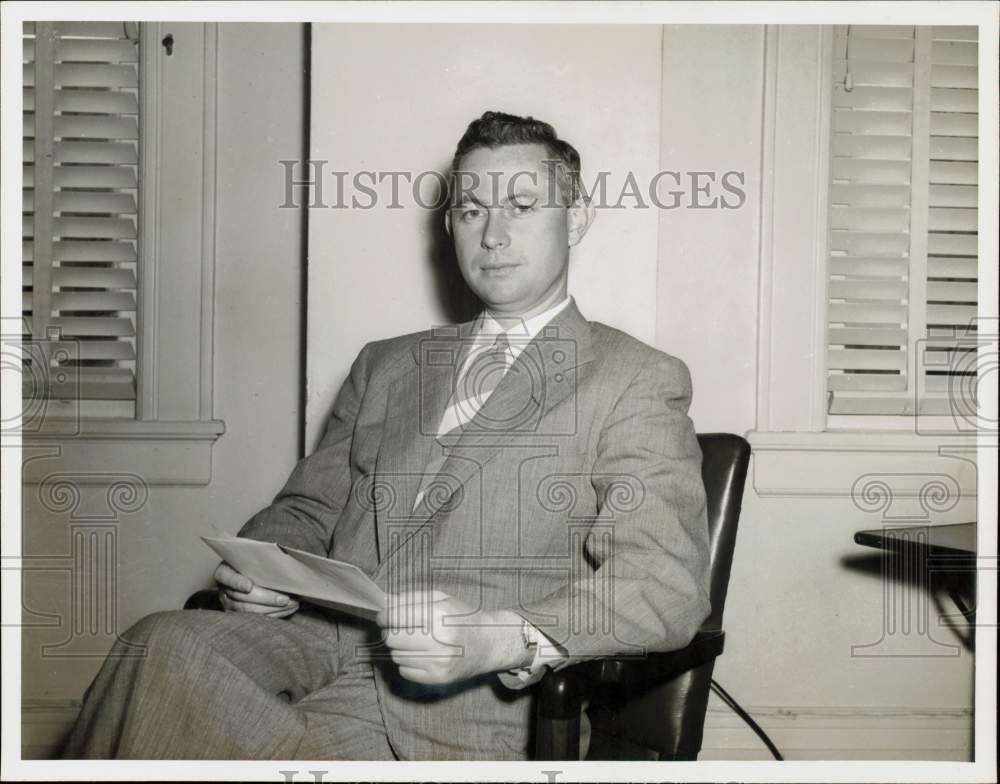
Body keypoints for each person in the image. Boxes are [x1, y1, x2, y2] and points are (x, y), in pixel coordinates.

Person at [63, 111, 711, 760]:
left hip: (461, 703)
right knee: (161, 645)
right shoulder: (387, 364)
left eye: (521, 205)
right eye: (470, 209)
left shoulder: (632, 378)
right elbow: (308, 508)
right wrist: (263, 567)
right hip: (315, 644)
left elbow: (665, 580)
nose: (493, 234)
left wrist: (507, 637)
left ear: (575, 219)